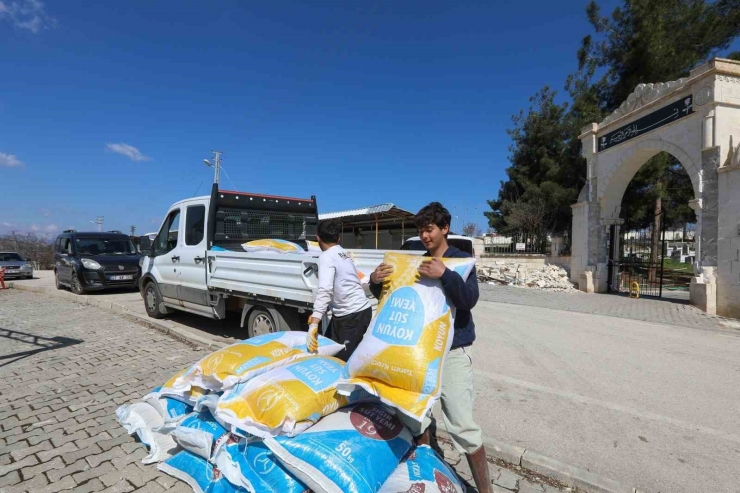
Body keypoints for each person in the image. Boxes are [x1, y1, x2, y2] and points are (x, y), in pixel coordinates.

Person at [369, 202, 492, 493]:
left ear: (444, 228)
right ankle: (428, 474)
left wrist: (445, 274)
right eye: (420, 231)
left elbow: (469, 300)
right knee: (417, 416)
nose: (424, 236)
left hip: (453, 353)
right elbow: (396, 294)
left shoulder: (460, 260)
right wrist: (376, 282)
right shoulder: (416, 262)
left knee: (462, 425)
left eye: (429, 229)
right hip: (422, 352)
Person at [306, 219, 372, 361]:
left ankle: (346, 383)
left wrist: (314, 323)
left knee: (341, 361)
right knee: (328, 349)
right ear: (338, 238)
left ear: (318, 238)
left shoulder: (326, 257)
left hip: (352, 316)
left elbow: (325, 290)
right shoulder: (343, 253)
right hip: (355, 312)